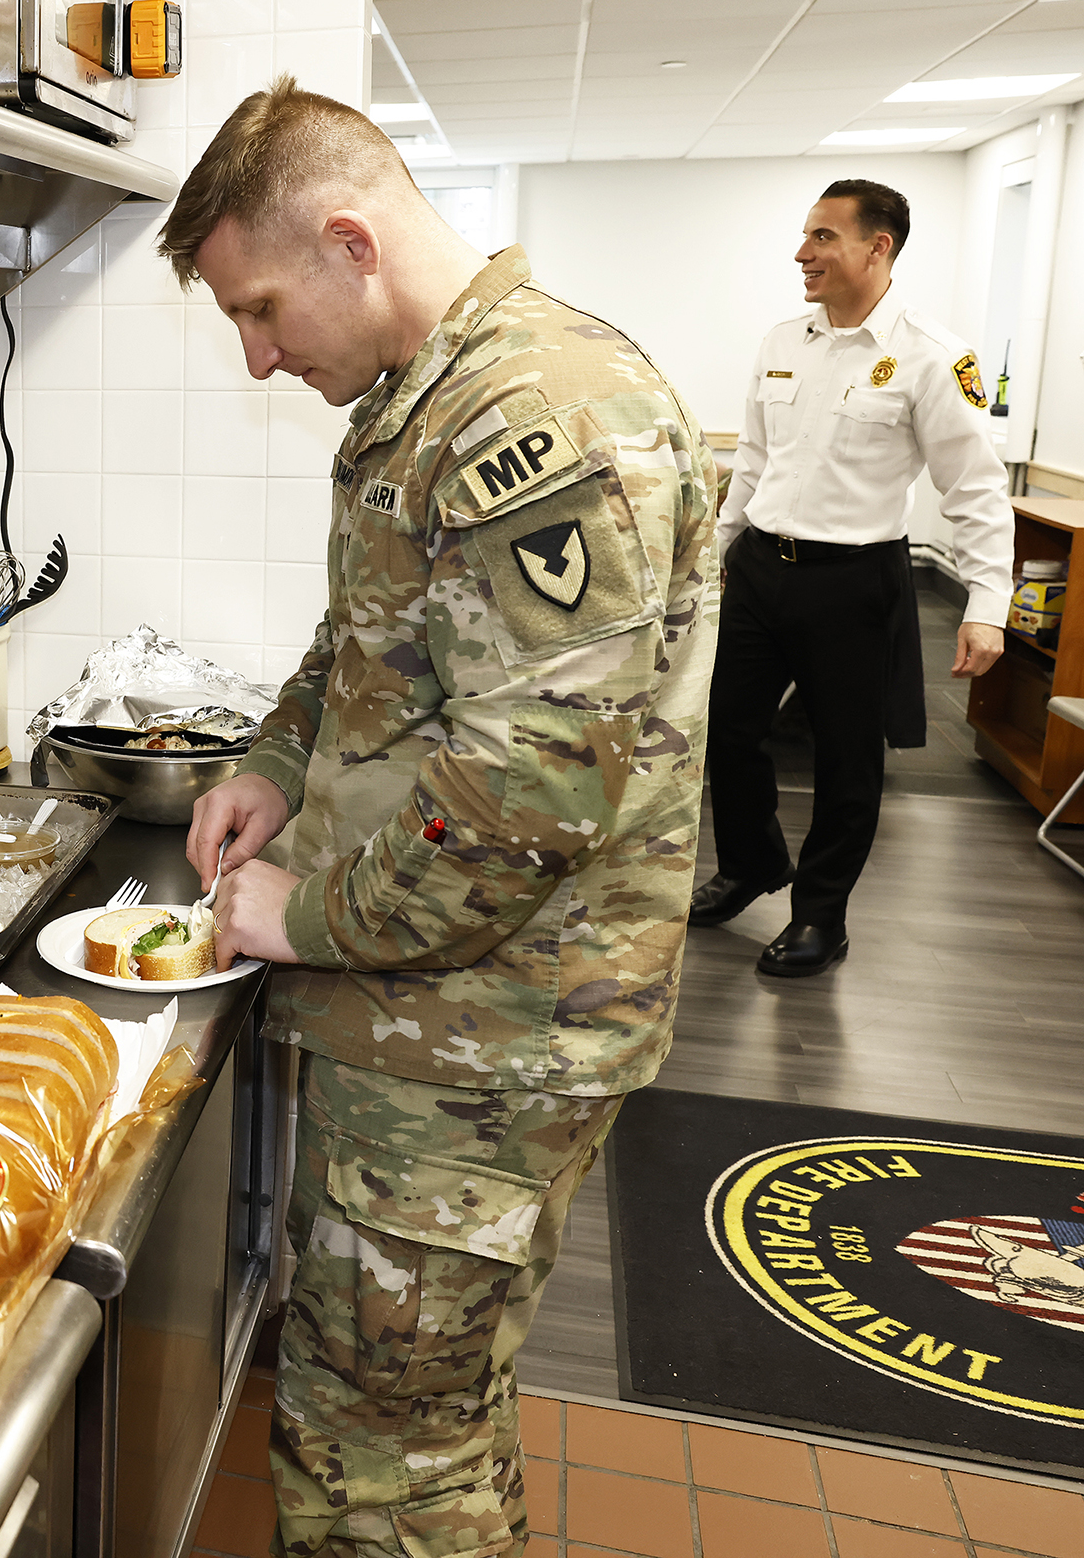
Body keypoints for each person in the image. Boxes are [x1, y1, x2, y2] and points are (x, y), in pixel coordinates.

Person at [160, 76, 719, 1557]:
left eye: (261, 310)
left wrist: (305, 911)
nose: (262, 356)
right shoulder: (432, 401)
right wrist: (276, 763)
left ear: (352, 241)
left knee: (378, 1466)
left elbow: (533, 792)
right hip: (432, 1017)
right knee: (427, 1419)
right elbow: (367, 645)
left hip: (482, 1034)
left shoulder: (535, 416)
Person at [690, 179, 1013, 977]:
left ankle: (820, 915)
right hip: (761, 569)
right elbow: (754, 465)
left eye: (825, 237)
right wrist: (716, 559)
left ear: (880, 247)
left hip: (855, 583)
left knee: (846, 759)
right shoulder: (782, 342)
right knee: (724, 728)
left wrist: (987, 604)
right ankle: (751, 863)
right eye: (805, 235)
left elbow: (973, 486)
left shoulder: (934, 357)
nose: (804, 253)